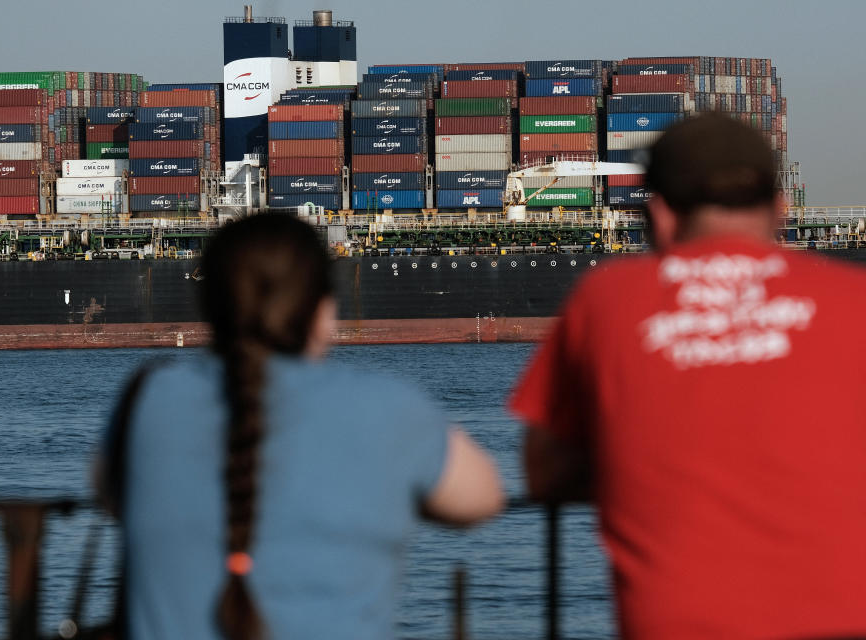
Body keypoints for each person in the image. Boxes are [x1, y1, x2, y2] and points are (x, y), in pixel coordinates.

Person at [511, 113, 866, 639]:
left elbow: (543, 473)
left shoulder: (606, 299)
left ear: (657, 214)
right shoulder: (853, 301)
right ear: (781, 208)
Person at [97, 213, 502, 640]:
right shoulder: (389, 407)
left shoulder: (146, 400)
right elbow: (483, 498)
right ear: (324, 311)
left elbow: (110, 492)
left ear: (210, 305)